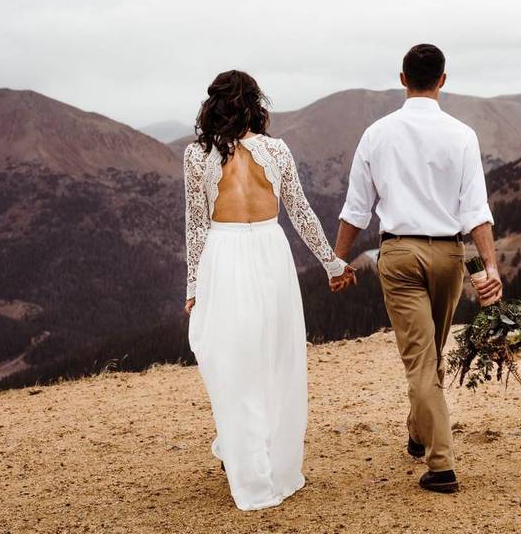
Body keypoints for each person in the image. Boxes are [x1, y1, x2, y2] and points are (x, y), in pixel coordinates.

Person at [332, 44, 502, 494]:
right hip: (450, 257)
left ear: (402, 78)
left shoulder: (377, 133)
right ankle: (418, 430)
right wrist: (490, 265)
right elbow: (476, 211)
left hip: (400, 256)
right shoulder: (462, 134)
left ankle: (442, 465)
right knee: (428, 357)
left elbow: (356, 211)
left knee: (422, 360)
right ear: (443, 79)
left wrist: (337, 261)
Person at [183, 69, 355, 511]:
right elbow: (300, 213)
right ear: (255, 103)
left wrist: (193, 285)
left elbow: (197, 226)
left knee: (232, 359)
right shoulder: (276, 150)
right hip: (270, 255)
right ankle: (267, 461)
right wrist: (332, 263)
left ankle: (244, 457)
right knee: (275, 357)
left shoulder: (197, 155)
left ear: (214, 104)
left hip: (224, 255)